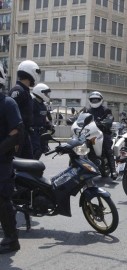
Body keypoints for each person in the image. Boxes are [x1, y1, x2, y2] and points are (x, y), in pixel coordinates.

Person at [0, 63, 24, 253]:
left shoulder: (8, 103)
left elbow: (16, 133)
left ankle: (11, 238)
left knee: (2, 199)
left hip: (1, 162)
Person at [8, 60, 41, 159]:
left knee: (28, 165)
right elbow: (10, 116)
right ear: (31, 72)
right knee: (18, 166)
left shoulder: (25, 91)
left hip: (24, 134)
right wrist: (14, 140)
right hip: (18, 135)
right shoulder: (18, 91)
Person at [83, 91, 118, 181]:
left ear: (101, 100)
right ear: (90, 100)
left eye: (96, 99)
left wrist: (108, 121)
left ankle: (113, 171)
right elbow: (79, 118)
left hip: (103, 133)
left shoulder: (106, 109)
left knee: (108, 149)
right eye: (93, 99)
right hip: (89, 133)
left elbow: (110, 117)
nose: (94, 101)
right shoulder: (87, 110)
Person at [30, 83, 53, 160]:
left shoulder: (42, 104)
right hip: (34, 132)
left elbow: (44, 117)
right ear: (40, 92)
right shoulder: (33, 103)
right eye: (46, 93)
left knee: (42, 150)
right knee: (36, 151)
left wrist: (48, 124)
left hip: (41, 132)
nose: (47, 95)